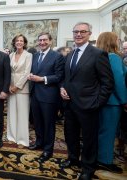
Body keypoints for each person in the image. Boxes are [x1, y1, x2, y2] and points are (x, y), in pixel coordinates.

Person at [60, 22, 114, 180]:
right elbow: (66, 78)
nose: (78, 34)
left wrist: (97, 103)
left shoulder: (98, 54)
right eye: (76, 31)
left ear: (89, 34)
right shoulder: (70, 54)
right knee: (71, 135)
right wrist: (62, 88)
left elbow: (108, 83)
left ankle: (88, 167)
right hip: (69, 104)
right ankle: (72, 158)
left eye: (82, 32)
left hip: (89, 105)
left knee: (89, 139)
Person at [28, 32, 64, 162]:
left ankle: (48, 150)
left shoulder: (57, 56)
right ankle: (39, 143)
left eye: (44, 40)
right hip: (35, 95)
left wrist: (42, 79)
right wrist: (31, 75)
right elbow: (34, 71)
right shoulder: (35, 55)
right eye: (40, 40)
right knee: (37, 122)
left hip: (49, 96)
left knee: (48, 124)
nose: (42, 42)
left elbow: (59, 76)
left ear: (50, 41)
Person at [95, 32, 127, 173]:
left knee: (100, 130)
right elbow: (118, 82)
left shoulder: (97, 56)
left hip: (100, 100)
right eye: (116, 39)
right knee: (108, 132)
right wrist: (125, 100)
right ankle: (104, 161)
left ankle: (98, 156)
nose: (118, 41)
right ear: (111, 41)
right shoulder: (113, 57)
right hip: (112, 101)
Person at [7, 34, 32, 147]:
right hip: (10, 88)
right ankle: (11, 136)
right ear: (14, 42)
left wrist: (17, 86)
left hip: (22, 88)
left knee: (22, 114)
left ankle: (22, 139)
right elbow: (8, 71)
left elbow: (27, 73)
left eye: (21, 41)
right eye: (17, 40)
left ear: (24, 43)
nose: (19, 42)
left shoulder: (28, 55)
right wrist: (9, 86)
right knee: (11, 113)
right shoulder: (11, 55)